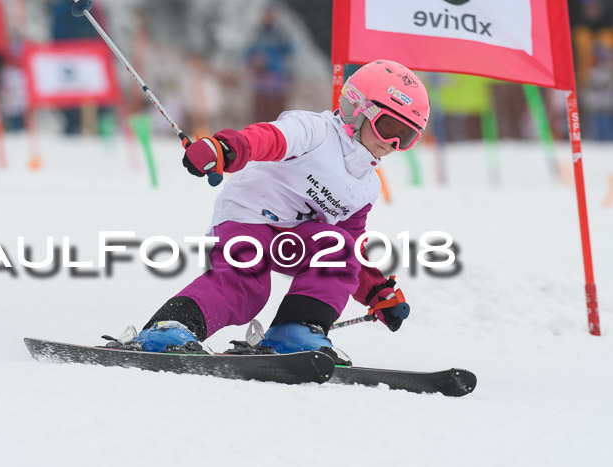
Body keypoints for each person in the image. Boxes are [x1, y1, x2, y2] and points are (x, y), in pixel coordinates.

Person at [131, 60, 430, 364]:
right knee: (247, 286)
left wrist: (376, 290)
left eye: (405, 137)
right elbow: (268, 139)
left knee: (338, 247)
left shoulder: (367, 186)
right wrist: (225, 148)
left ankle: (295, 332)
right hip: (248, 217)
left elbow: (352, 242)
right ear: (358, 108)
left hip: (295, 237)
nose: (391, 143)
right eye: (388, 127)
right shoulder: (315, 131)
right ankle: (168, 329)